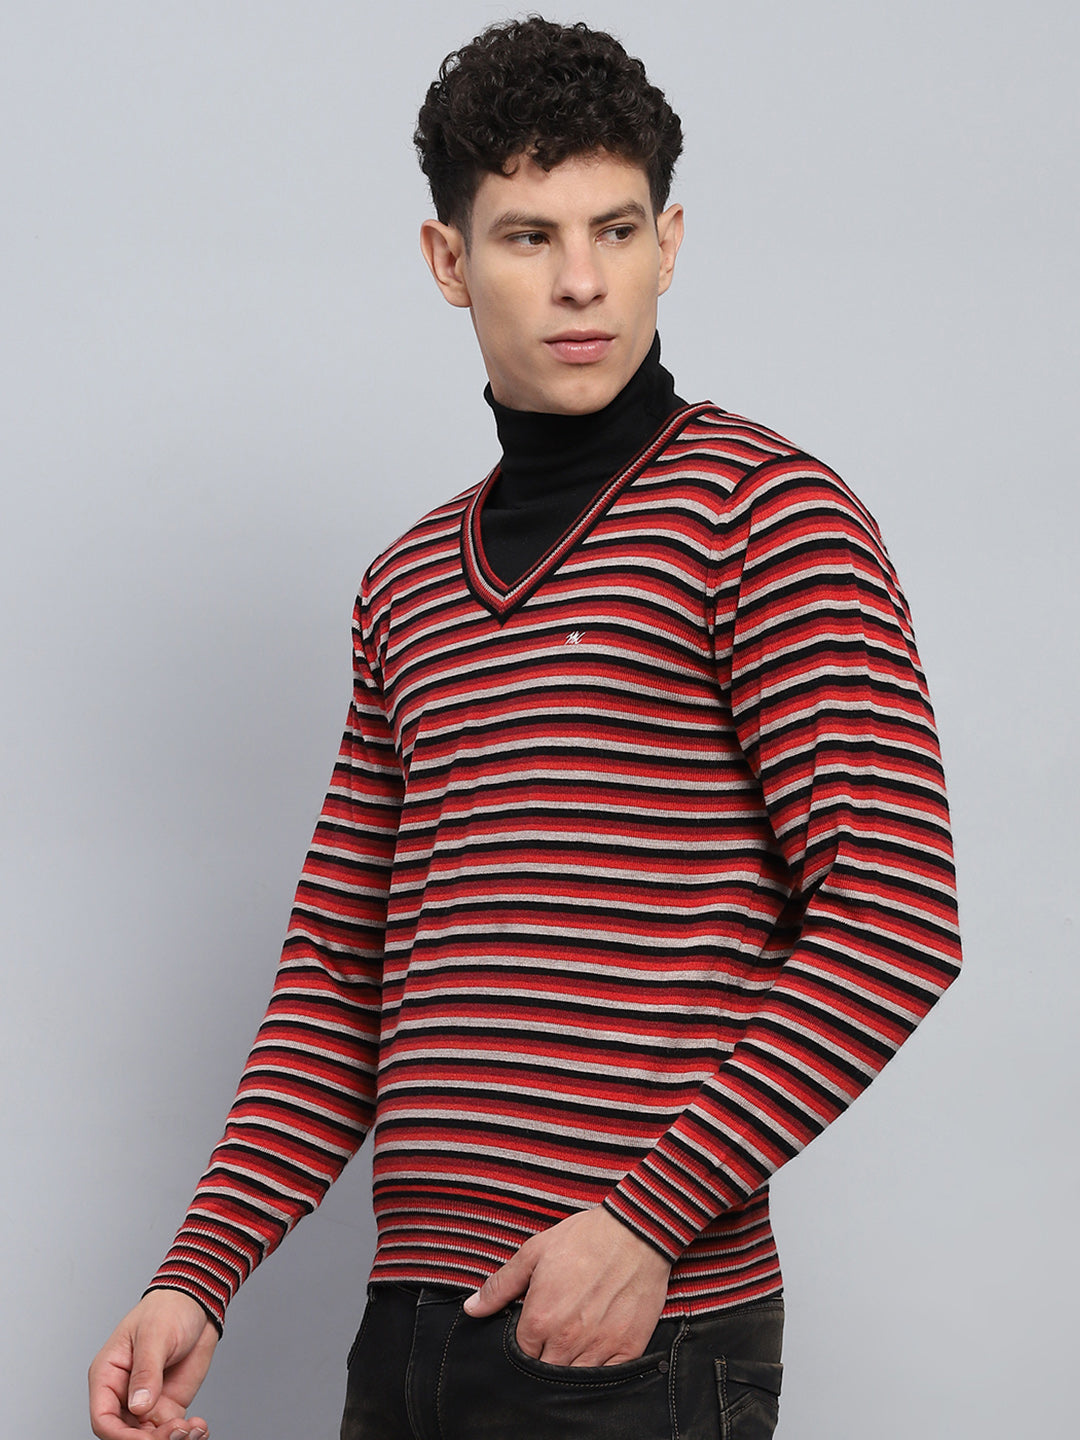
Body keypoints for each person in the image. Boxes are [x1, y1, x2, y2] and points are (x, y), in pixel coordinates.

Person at [88, 17, 962, 1440]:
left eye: (616, 229)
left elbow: (896, 916)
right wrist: (199, 1274)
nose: (580, 282)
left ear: (670, 242)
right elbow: (339, 973)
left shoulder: (766, 518)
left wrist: (647, 1220)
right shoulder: (406, 584)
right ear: (450, 261)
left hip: (641, 1339)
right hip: (410, 1334)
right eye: (528, 236)